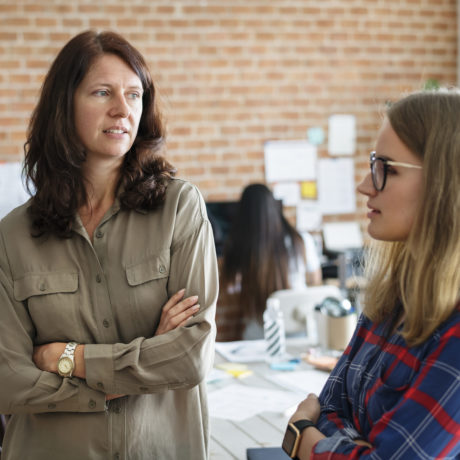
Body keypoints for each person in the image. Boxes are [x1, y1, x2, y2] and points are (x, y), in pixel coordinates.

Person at [0, 30, 218, 460]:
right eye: (103, 92)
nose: (123, 109)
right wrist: (138, 368)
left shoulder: (179, 208)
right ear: (65, 105)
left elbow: (191, 355)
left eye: (134, 95)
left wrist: (69, 359)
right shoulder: (13, 236)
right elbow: (9, 380)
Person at [283, 89, 460, 459]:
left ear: (445, 183)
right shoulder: (392, 295)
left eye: (387, 169)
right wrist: (350, 446)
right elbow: (327, 404)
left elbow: (314, 421)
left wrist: (304, 438)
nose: (365, 186)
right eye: (372, 164)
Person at [217, 183, 322, 341]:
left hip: (260, 335)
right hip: (300, 333)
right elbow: (315, 281)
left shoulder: (239, 245)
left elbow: (230, 291)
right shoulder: (301, 240)